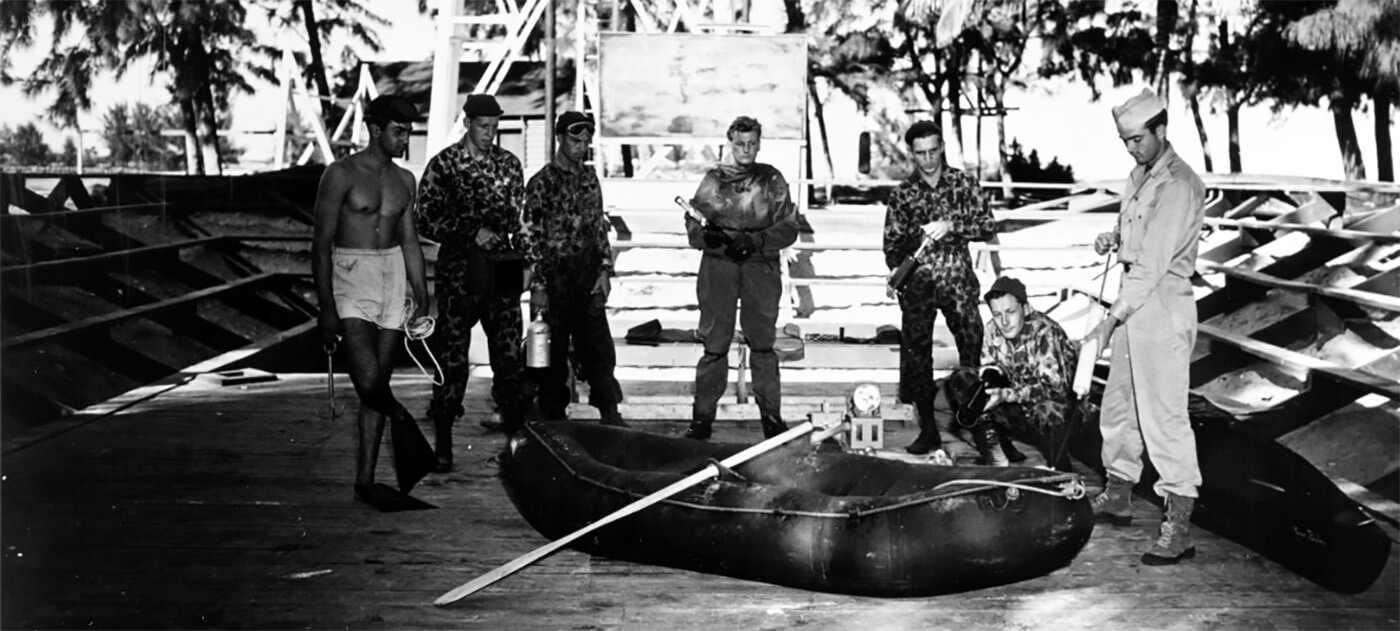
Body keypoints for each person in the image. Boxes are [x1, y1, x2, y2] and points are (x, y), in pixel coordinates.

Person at [1083, 88, 1206, 566]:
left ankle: (1179, 526)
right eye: (1124, 141)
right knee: (1119, 407)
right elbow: (1139, 238)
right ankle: (1118, 492)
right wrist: (1114, 237)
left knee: (1165, 418)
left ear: (1161, 130)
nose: (1131, 148)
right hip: (1136, 301)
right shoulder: (1139, 176)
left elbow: (1155, 263)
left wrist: (1109, 323)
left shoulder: (1179, 184)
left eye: (1137, 139)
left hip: (1162, 305)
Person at [312, 94, 434, 504]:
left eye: (409, 131)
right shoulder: (340, 174)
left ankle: (366, 480)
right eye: (399, 132)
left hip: (392, 273)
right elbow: (321, 244)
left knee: (378, 381)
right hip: (352, 273)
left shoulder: (405, 181)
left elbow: (411, 241)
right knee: (366, 381)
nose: (406, 139)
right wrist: (327, 309)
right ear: (375, 129)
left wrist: (422, 292)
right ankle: (404, 420)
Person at [417, 94, 533, 470]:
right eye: (484, 127)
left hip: (503, 268)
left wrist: (531, 265)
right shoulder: (444, 165)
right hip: (459, 270)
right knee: (452, 357)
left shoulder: (509, 165)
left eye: (495, 128)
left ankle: (516, 442)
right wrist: (469, 233)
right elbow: (424, 220)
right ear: (467, 123)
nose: (490, 134)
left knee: (510, 357)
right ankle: (444, 442)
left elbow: (523, 220)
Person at [882, 120, 997, 458]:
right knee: (918, 359)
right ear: (911, 153)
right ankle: (929, 431)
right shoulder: (903, 193)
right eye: (920, 154)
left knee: (973, 355)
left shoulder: (963, 183)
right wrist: (896, 269)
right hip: (918, 287)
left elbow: (988, 225)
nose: (928, 159)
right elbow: (891, 243)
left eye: (933, 151)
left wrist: (952, 225)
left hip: (959, 285)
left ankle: (982, 430)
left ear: (942, 146)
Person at [682, 116, 801, 440]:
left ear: (759, 143)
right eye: (739, 144)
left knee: (763, 344)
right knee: (714, 344)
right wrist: (711, 240)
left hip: (759, 266)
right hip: (719, 267)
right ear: (730, 143)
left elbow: (789, 226)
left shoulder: (771, 180)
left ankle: (771, 419)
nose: (746, 150)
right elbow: (693, 222)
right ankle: (702, 419)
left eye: (752, 143)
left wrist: (758, 241)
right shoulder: (714, 180)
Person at [521, 111, 627, 427]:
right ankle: (553, 420)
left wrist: (605, 271)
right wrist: (538, 285)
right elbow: (528, 235)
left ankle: (610, 414)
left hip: (586, 280)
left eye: (585, 142)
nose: (581, 147)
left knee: (599, 353)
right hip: (553, 284)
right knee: (550, 359)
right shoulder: (541, 183)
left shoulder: (590, 180)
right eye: (574, 140)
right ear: (559, 138)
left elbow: (597, 229)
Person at [946, 276, 1078, 471]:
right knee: (962, 381)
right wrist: (986, 382)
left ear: (1025, 308)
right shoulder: (992, 329)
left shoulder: (1044, 332)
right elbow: (989, 364)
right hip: (1015, 406)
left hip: (1056, 413)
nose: (1004, 321)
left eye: (1010, 312)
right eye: (997, 314)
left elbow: (1054, 389)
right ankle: (998, 455)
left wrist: (1008, 395)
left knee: (1049, 409)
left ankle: (1060, 470)